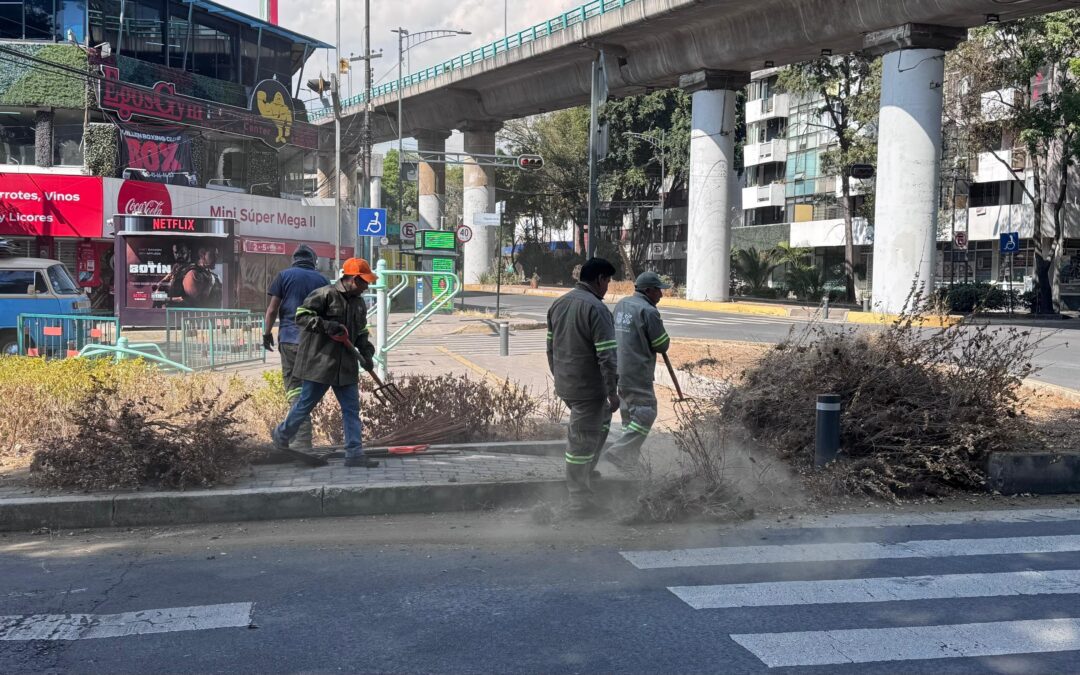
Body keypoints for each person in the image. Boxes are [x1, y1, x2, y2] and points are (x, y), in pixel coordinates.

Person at [272, 258, 380, 468]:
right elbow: (301, 316)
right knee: (305, 405)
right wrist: (326, 325)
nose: (367, 287)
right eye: (364, 282)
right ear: (353, 279)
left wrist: (367, 353)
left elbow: (361, 332)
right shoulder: (324, 294)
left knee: (351, 409)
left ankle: (354, 454)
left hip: (346, 367)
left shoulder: (359, 303)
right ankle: (281, 434)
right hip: (321, 363)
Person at [546, 257, 619, 516]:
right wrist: (612, 391)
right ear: (599, 279)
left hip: (567, 384)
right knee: (581, 442)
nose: (608, 287)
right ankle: (579, 500)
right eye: (608, 281)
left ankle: (586, 472)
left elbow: (550, 348)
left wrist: (559, 377)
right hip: (588, 389)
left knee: (602, 423)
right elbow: (607, 356)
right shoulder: (597, 309)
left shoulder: (558, 304)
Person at [262, 245, 328, 452]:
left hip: (290, 340)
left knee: (295, 389)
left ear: (294, 260)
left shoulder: (284, 276)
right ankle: (297, 437)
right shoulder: (323, 280)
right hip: (315, 342)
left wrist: (266, 333)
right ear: (313, 261)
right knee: (307, 389)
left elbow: (272, 310)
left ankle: (301, 439)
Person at [606, 271, 672, 475]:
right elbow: (662, 344)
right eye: (658, 290)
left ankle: (629, 464)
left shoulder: (622, 304)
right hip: (637, 372)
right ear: (648, 290)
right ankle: (618, 452)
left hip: (618, 369)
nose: (661, 294)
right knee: (646, 413)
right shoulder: (649, 311)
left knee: (629, 417)